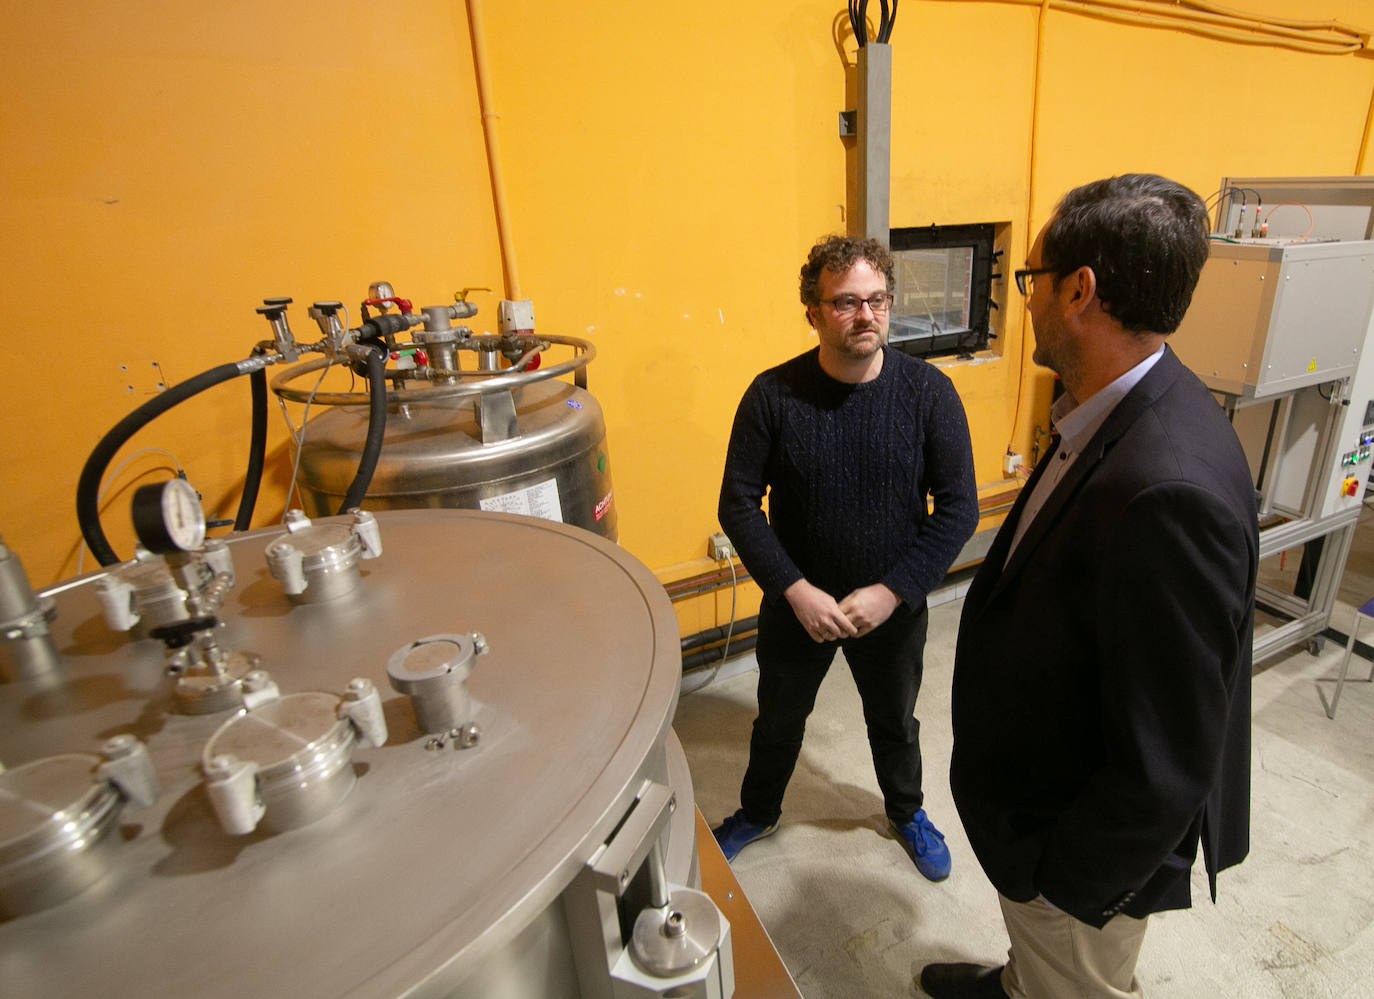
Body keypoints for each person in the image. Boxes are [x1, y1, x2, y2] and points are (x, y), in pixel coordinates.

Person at [919, 174, 1258, 999]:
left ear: (1080, 292)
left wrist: (1066, 882)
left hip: (1070, 852)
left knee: (1074, 979)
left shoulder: (1167, 487)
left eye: (1029, 279)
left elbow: (1169, 760)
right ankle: (1018, 981)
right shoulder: (1121, 405)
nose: (1023, 299)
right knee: (1040, 966)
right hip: (1039, 797)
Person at [712, 234, 978, 881]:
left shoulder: (929, 393)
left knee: (894, 720)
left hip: (889, 606)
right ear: (812, 311)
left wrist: (894, 590)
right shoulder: (772, 395)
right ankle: (758, 810)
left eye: (878, 300)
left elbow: (959, 508)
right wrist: (794, 589)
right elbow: (739, 504)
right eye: (846, 302)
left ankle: (906, 810)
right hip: (799, 606)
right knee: (778, 718)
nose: (866, 315)